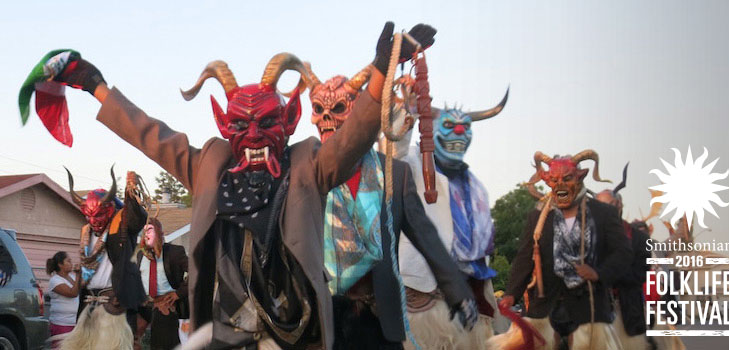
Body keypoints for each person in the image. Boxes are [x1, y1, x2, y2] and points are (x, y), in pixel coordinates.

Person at [42, 21, 436, 349]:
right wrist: (94, 84)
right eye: (239, 126)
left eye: (265, 123)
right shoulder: (209, 165)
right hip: (229, 333)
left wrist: (383, 69)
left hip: (298, 334)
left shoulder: (307, 164)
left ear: (289, 120)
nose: (253, 135)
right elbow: (149, 133)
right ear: (222, 124)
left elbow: (353, 137)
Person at [304, 65, 476, 350]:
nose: (326, 119)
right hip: (319, 320)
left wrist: (458, 291)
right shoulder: (304, 172)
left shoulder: (394, 174)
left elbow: (425, 235)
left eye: (338, 108)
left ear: (360, 114)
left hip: (378, 320)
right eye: (319, 109)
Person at [392, 90, 509, 350]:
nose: (458, 133)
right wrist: (408, 112)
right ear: (431, 130)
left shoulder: (475, 187)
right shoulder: (413, 162)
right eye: (449, 126)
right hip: (421, 288)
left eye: (464, 128)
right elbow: (392, 154)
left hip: (471, 289)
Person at [494, 150, 632, 350]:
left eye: (567, 179)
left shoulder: (603, 214)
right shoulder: (538, 216)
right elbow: (524, 258)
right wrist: (511, 294)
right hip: (545, 306)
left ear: (580, 177)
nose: (560, 186)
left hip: (589, 306)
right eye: (553, 180)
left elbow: (623, 253)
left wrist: (598, 273)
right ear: (547, 181)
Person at [58, 170, 148, 350]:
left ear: (109, 210)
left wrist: (131, 192)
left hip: (114, 301)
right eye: (89, 215)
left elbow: (137, 217)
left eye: (98, 215)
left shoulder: (120, 225)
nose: (93, 220)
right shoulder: (86, 232)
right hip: (88, 304)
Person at [595, 164, 650, 350]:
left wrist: (607, 274)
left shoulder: (640, 238)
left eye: (606, 207)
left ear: (618, 205)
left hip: (627, 310)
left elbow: (641, 273)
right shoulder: (589, 237)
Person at [132, 218, 188, 350]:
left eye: (150, 230)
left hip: (166, 303)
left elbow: (195, 271)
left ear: (160, 233)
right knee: (130, 336)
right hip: (145, 304)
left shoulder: (174, 252)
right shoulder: (141, 255)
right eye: (144, 231)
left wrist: (178, 294)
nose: (146, 234)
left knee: (161, 344)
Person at [46, 251, 81, 346]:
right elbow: (73, 293)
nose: (71, 263)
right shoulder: (55, 280)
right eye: (68, 261)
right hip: (62, 323)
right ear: (60, 264)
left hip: (75, 322)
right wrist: (78, 275)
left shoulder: (72, 277)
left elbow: (82, 287)